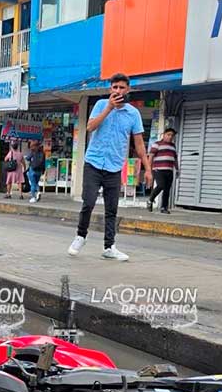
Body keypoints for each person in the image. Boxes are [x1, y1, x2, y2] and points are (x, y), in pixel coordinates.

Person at [69, 73, 154, 262]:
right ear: (110, 90)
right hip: (93, 163)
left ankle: (109, 247)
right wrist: (108, 107)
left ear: (128, 89)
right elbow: (90, 127)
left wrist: (147, 169)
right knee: (88, 202)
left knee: (111, 209)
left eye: (121, 87)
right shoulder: (100, 105)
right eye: (114, 87)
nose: (118, 91)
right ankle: (80, 236)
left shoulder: (133, 114)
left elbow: (139, 144)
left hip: (114, 167)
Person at [146, 128, 178, 214]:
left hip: (169, 170)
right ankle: (150, 200)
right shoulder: (156, 144)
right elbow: (151, 156)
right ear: (163, 135)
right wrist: (149, 169)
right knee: (161, 185)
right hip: (158, 170)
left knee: (167, 190)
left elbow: (175, 158)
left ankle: (164, 208)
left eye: (172, 135)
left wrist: (177, 169)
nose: (170, 137)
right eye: (168, 135)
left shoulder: (173, 146)